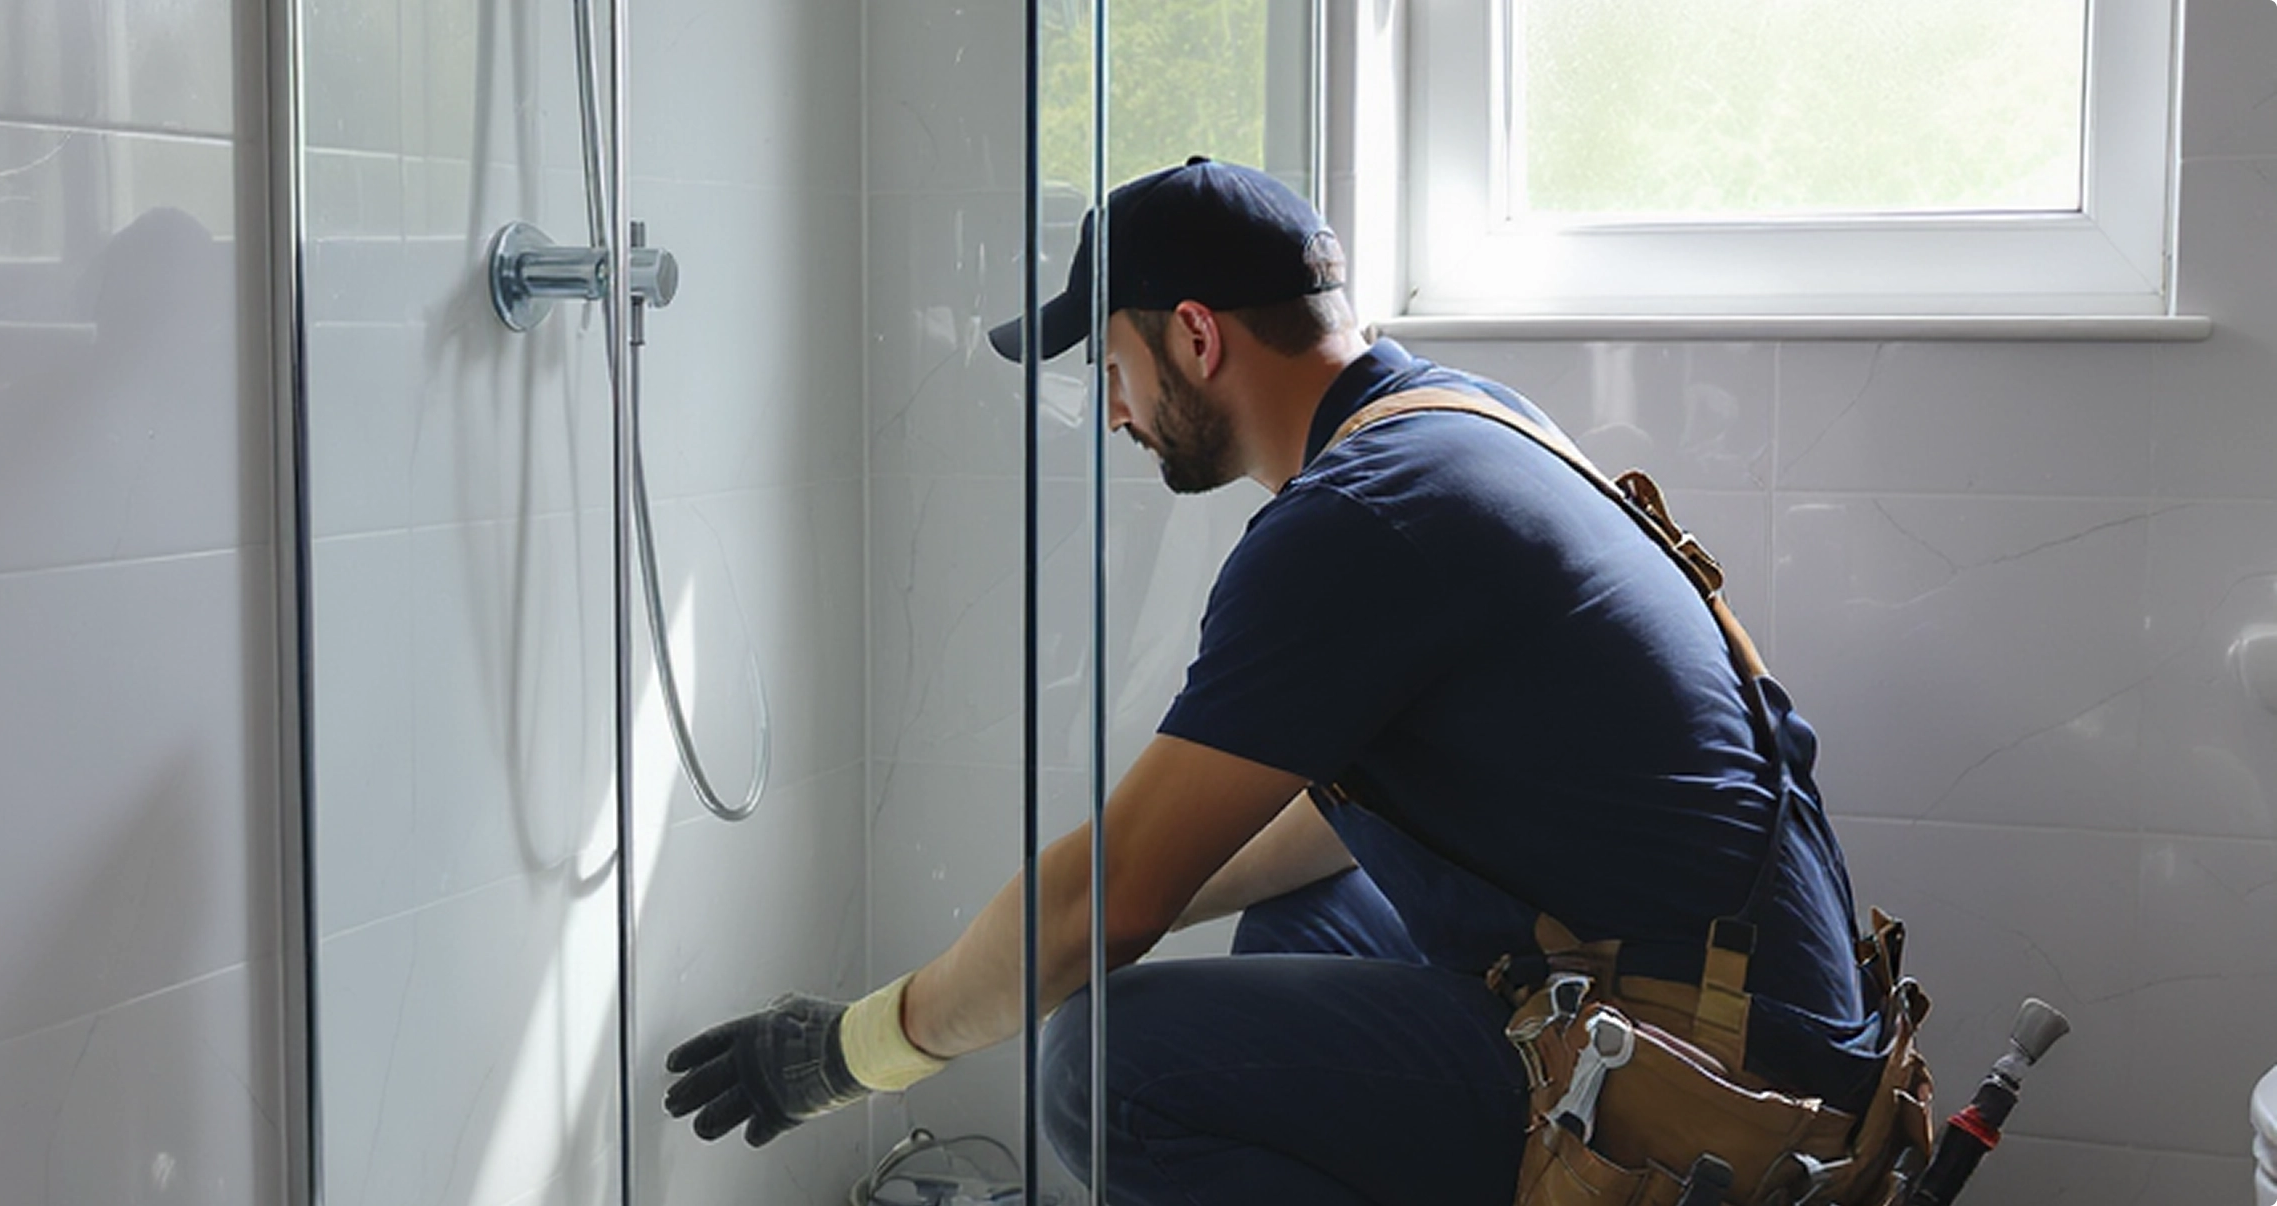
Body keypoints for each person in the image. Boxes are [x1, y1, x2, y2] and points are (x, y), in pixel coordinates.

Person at [661, 158, 1888, 1206]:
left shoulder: (1357, 521)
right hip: (1759, 1012)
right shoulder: (1458, 421)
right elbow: (1312, 828)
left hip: (1716, 1081)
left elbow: (1105, 898)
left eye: (1115, 365)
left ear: (1195, 336)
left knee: (1106, 1065)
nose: (1113, 412)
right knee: (1304, 926)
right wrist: (1147, 899)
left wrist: (849, 1051)